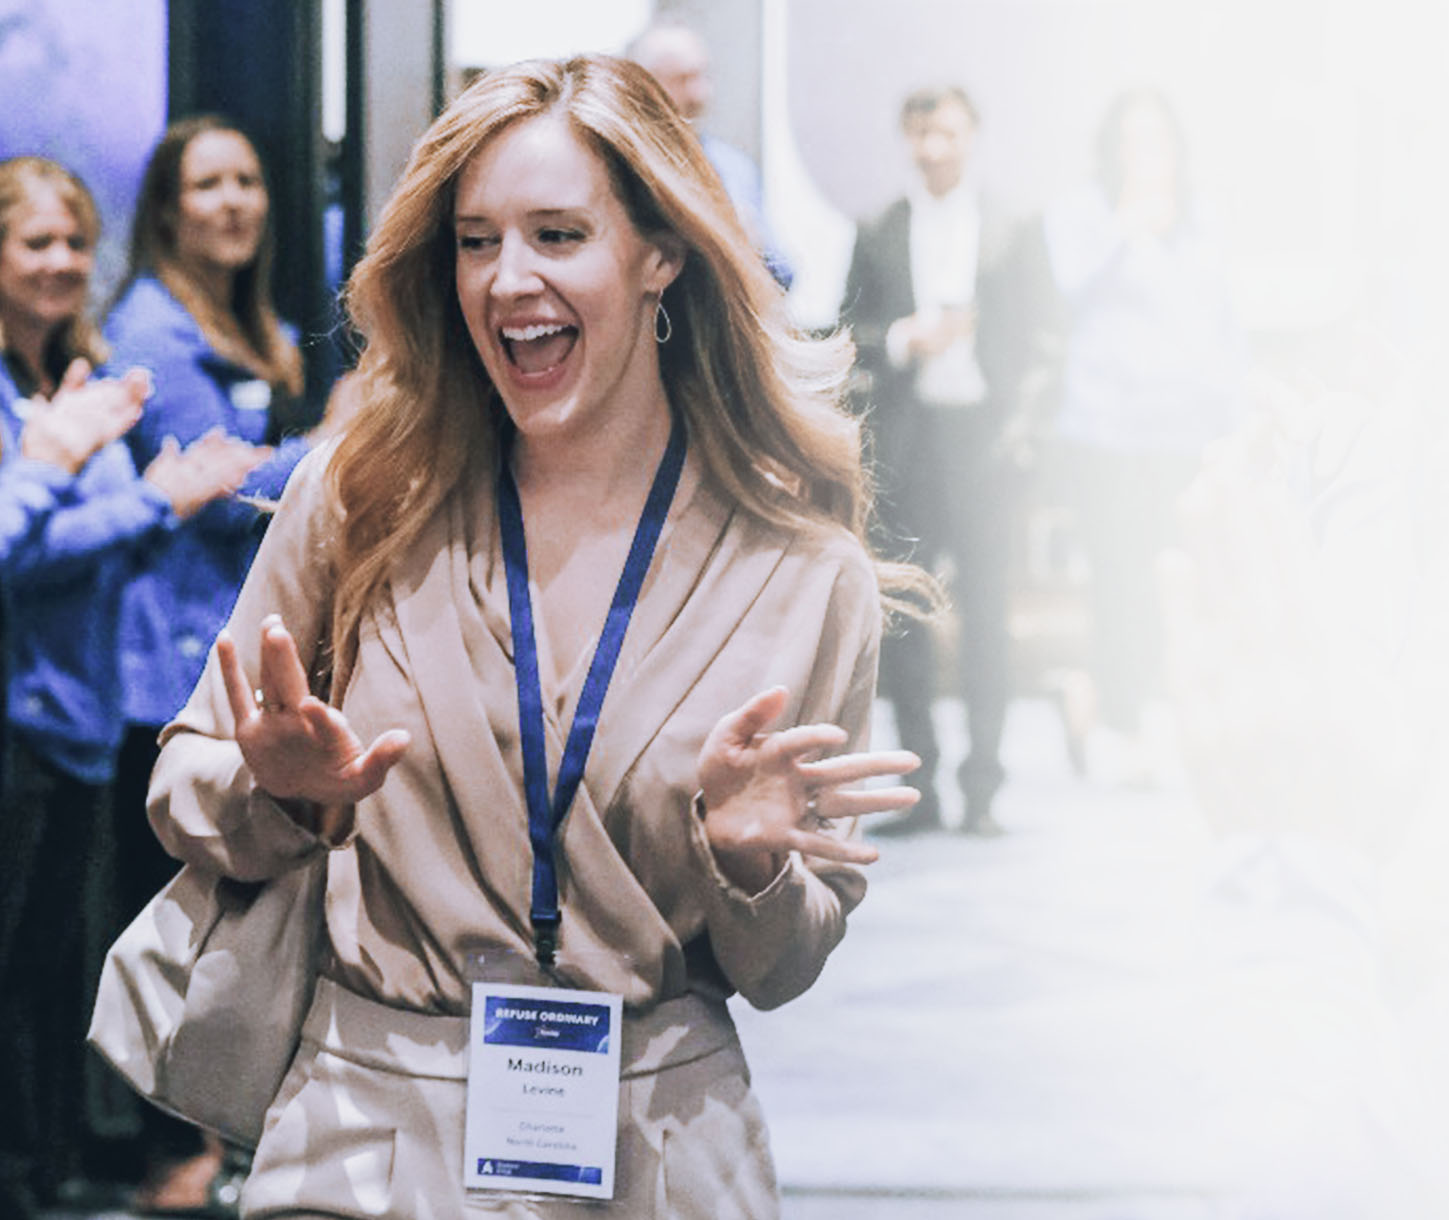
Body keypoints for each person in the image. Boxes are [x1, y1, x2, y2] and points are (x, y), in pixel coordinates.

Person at [140, 55, 929, 1217]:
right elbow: (183, 782)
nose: (509, 280)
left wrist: (755, 865)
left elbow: (784, 964)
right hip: (365, 1140)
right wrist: (283, 798)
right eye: (476, 240)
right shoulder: (362, 498)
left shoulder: (801, 574)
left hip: (658, 1149)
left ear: (661, 251)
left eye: (558, 234)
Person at [0, 155, 258, 1220]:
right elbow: (16, 547)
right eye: (35, 244)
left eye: (73, 243)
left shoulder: (69, 373)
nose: (62, 264)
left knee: (47, 981)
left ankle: (43, 1175)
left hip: (74, 726)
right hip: (15, 726)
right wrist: (148, 498)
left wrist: (112, 484)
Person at [98, 116, 322, 1209]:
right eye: (208, 184)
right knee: (172, 915)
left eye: (247, 179)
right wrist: (341, 439)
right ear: (168, 208)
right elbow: (225, 484)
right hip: (166, 669)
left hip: (229, 650)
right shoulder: (149, 325)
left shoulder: (254, 322)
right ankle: (166, 1150)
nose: (234, 201)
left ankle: (209, 1135)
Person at [840, 84, 1049, 836]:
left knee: (989, 615)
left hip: (984, 442)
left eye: (948, 132)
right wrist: (903, 338)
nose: (934, 147)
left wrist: (1023, 437)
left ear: (972, 136)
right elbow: (847, 332)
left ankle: (984, 789)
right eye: (921, 133)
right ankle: (919, 784)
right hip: (910, 439)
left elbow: (1041, 340)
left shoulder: (1013, 227)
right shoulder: (880, 229)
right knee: (906, 616)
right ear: (907, 138)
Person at [1039, 88, 1248, 783]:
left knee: (1180, 576)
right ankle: (1120, 721)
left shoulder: (1203, 219)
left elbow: (1222, 323)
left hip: (1187, 428)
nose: (1145, 154)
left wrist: (1235, 417)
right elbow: (1068, 289)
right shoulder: (1084, 216)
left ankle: (1161, 716)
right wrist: (1126, 228)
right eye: (1131, 140)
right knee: (1118, 576)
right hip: (1107, 429)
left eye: (1157, 139)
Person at [626, 19, 792, 288]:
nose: (700, 94)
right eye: (682, 80)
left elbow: (786, 275)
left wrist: (753, 244)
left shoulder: (734, 167)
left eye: (703, 76)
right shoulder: (621, 163)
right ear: (644, 85)